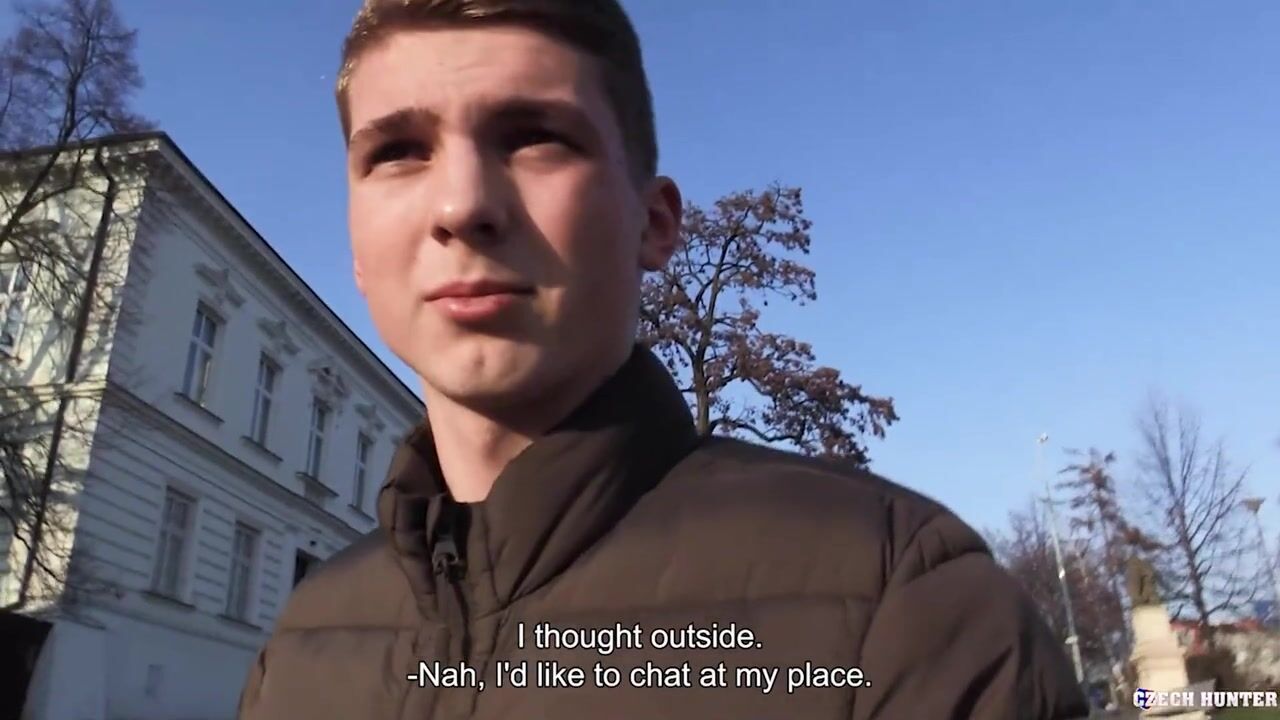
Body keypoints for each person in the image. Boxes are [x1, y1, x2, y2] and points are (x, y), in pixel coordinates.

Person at [236, 1, 1089, 717]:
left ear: (655, 224)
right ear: (356, 245)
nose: (461, 205)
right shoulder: (299, 645)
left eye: (534, 137)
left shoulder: (907, 606)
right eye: (397, 152)